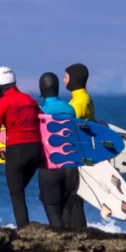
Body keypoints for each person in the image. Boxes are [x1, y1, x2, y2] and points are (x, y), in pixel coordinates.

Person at [0, 67, 43, 228]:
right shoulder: (30, 100)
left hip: (17, 151)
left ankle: (23, 231)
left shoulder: (1, 103)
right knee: (19, 188)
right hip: (36, 152)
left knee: (16, 193)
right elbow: (44, 123)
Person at [36, 72, 79, 230]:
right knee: (65, 209)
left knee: (53, 211)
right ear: (58, 89)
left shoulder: (41, 111)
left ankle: (62, 248)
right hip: (71, 166)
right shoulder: (70, 109)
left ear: (41, 90)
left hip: (50, 166)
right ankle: (70, 244)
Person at [63, 63, 95, 229]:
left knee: (72, 196)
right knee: (74, 196)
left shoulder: (79, 102)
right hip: (80, 152)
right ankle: (76, 231)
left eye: (66, 77)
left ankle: (77, 232)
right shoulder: (80, 98)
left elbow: (68, 128)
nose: (63, 80)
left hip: (76, 154)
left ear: (74, 79)